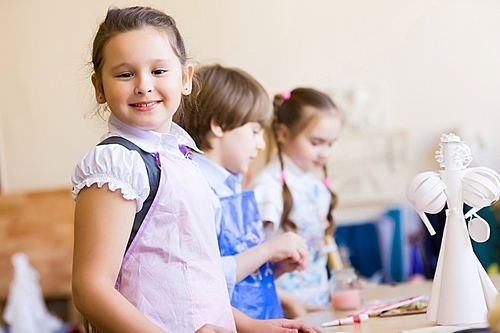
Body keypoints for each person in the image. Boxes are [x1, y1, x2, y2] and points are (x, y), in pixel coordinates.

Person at [71, 6, 322, 333]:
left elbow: (196, 279)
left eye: (159, 71)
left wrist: (251, 326)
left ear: (185, 78)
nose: (144, 85)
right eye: (125, 74)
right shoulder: (118, 163)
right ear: (99, 87)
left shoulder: (181, 158)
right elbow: (91, 289)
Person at [175, 64, 310, 320]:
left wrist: (273, 268)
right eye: (255, 132)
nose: (261, 144)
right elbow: (202, 281)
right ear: (220, 125)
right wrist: (267, 251)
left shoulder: (231, 184)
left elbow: (236, 272)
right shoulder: (198, 190)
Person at [252, 88, 343, 318]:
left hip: (318, 306)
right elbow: (252, 258)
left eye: (330, 144)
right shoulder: (267, 188)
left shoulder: (316, 188)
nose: (325, 153)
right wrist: (287, 302)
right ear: (283, 134)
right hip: (282, 310)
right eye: (316, 142)